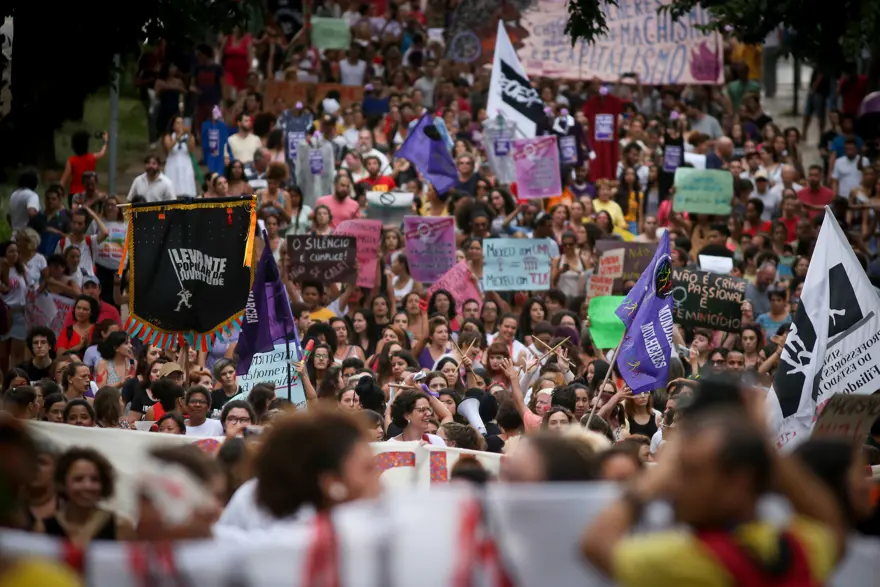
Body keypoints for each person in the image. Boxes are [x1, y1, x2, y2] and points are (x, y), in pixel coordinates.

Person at [581, 404, 846, 587]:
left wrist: (649, 484)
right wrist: (760, 440)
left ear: (739, 483)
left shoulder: (685, 560)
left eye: (692, 473)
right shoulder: (802, 548)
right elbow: (832, 526)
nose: (676, 485)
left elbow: (595, 544)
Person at [42, 447, 134, 545]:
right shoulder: (44, 527)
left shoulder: (121, 526)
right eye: (78, 479)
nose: (87, 486)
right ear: (63, 483)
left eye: (95, 479)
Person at [162, 115, 198, 197]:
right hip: (173, 162)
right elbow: (168, 147)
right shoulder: (169, 136)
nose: (180, 125)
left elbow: (191, 149)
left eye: (182, 123)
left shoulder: (189, 136)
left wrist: (188, 134)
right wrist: (178, 137)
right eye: (178, 123)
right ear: (173, 126)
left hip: (185, 162)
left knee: (186, 185)